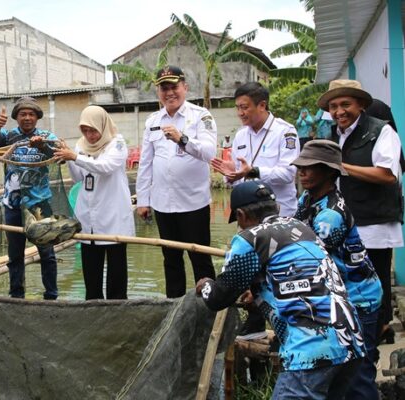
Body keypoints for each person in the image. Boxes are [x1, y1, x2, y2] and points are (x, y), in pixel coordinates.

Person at [196, 180, 364, 399]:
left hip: (312, 351)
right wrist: (256, 295)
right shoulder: (302, 228)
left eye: (238, 221)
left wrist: (206, 284)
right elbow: (298, 280)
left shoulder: (250, 238)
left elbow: (219, 297)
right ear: (276, 208)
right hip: (351, 343)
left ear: (241, 215)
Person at [292, 139, 382, 399]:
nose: (302, 172)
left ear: (330, 172)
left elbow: (309, 257)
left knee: (358, 375)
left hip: (358, 298)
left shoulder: (330, 214)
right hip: (338, 295)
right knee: (341, 370)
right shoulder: (307, 198)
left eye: (310, 167)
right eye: (301, 166)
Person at [210, 82, 300, 338]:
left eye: (244, 107)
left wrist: (254, 170)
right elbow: (240, 175)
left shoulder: (285, 132)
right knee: (252, 270)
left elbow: (290, 172)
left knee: (281, 269)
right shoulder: (241, 136)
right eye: (237, 107)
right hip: (249, 217)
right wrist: (231, 176)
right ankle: (256, 319)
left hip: (279, 213)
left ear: (262, 105)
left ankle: (288, 325)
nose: (240, 113)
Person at [318, 79, 404, 345]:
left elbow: (388, 174)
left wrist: (342, 166)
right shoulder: (333, 135)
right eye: (334, 106)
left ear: (361, 105)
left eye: (346, 104)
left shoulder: (380, 131)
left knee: (375, 282)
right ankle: (356, 336)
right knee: (346, 281)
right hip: (345, 222)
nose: (339, 111)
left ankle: (379, 334)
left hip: (374, 222)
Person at [135, 65, 218, 298]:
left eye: (174, 87)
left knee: (200, 259)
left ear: (185, 87)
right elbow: (146, 162)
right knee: (171, 260)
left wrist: (182, 139)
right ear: (158, 92)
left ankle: (208, 308)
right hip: (163, 203)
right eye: (164, 88)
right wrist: (143, 199)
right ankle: (174, 308)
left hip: (193, 203)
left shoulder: (201, 116)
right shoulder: (153, 120)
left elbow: (209, 152)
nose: (169, 92)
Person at [54, 105, 135, 300]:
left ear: (103, 125)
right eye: (85, 130)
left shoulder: (117, 143)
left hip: (113, 216)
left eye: (93, 130)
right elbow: (78, 178)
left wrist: (75, 157)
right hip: (88, 217)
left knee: (116, 274)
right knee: (91, 274)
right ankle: (93, 307)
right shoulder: (81, 145)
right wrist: (70, 160)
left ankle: (117, 309)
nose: (89, 135)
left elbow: (105, 167)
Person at [0, 96, 59, 300]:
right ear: (16, 118)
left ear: (37, 117)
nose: (27, 118)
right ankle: (16, 295)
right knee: (15, 254)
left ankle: (51, 296)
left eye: (31, 114)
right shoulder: (9, 136)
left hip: (39, 204)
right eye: (22, 114)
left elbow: (57, 157)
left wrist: (42, 147)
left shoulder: (46, 136)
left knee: (46, 253)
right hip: (13, 204)